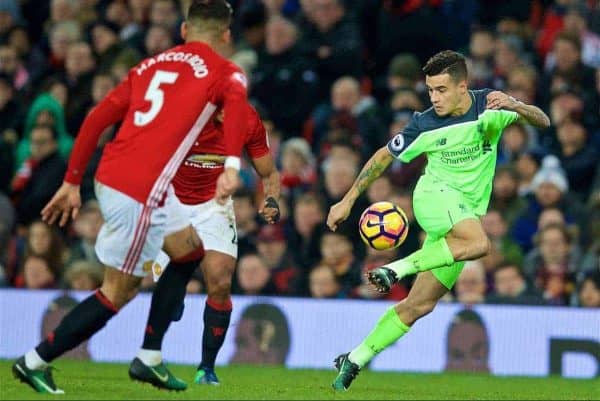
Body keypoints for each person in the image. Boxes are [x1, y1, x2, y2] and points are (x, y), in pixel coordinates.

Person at [13, 0, 249, 394]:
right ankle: (33, 362)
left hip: (115, 175)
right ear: (225, 36)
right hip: (141, 190)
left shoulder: (148, 66)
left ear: (184, 31)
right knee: (118, 291)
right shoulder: (226, 72)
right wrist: (231, 165)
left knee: (189, 251)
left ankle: (150, 357)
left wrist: (72, 181)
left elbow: (96, 119)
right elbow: (238, 109)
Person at [326, 50, 550, 391]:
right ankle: (394, 270)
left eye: (441, 90)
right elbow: (384, 156)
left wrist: (517, 105)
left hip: (463, 214)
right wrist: (348, 199)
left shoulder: (490, 108)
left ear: (463, 86)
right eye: (430, 90)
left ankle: (353, 358)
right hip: (434, 197)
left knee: (420, 305)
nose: (434, 98)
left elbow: (543, 121)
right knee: (479, 244)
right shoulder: (424, 123)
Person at [132, 103, 280, 388]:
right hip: (171, 202)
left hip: (215, 206)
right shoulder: (179, 114)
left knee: (221, 282)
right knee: (161, 285)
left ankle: (206, 368)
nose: (227, 114)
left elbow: (269, 172)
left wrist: (271, 199)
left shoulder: (248, 119)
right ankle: (172, 301)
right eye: (222, 106)